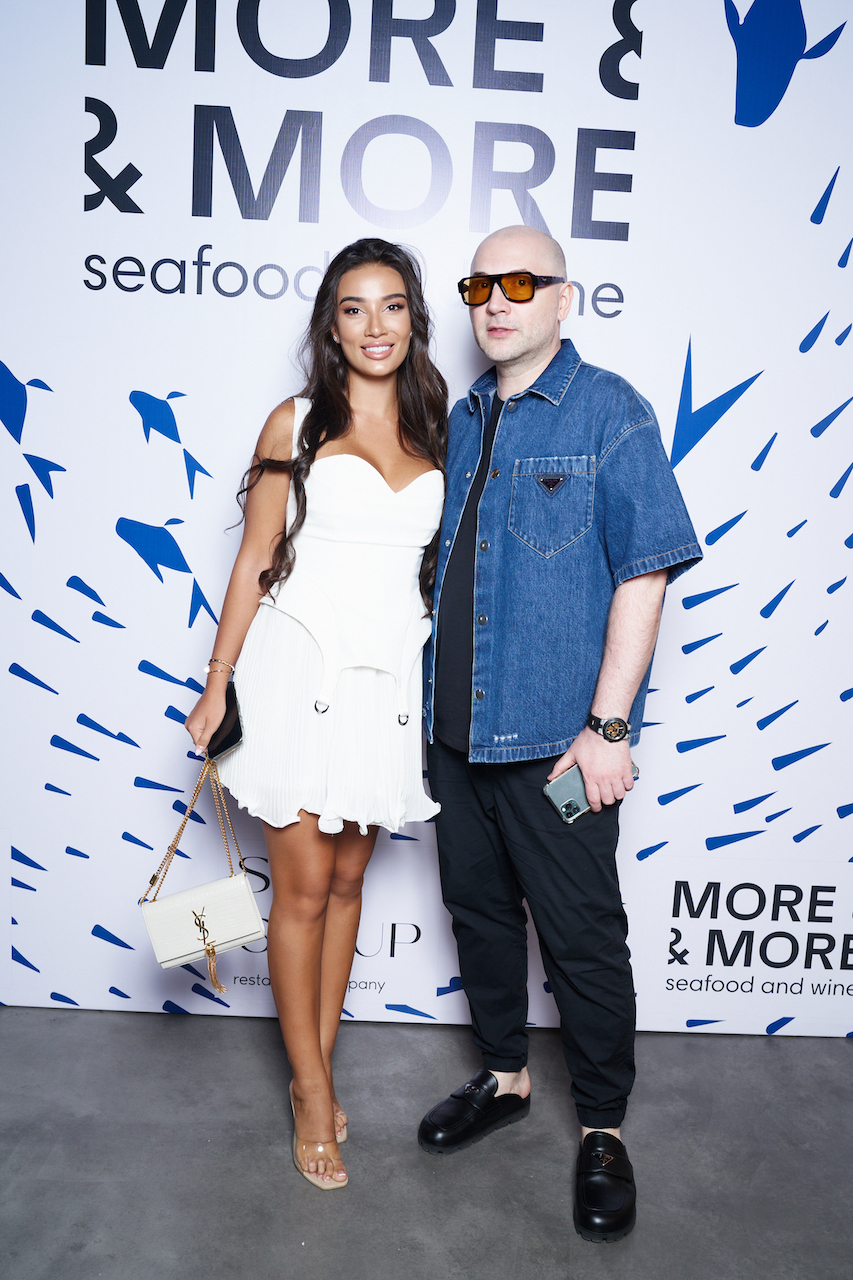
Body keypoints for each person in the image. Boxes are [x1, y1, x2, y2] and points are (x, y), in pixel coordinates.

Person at [418, 225, 702, 1242]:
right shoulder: (463, 417)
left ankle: (604, 1129)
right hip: (453, 737)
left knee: (581, 936)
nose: (496, 300)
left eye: (520, 282)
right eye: (479, 285)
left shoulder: (609, 410)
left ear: (561, 298)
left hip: (556, 748)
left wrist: (607, 728)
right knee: (479, 915)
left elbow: (645, 570)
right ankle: (504, 1076)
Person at [186, 238, 447, 1191]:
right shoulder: (294, 422)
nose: (375, 326)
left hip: (385, 689)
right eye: (353, 307)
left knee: (345, 885)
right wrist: (218, 681)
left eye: (392, 305)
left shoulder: (439, 428)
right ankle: (308, 1092)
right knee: (300, 890)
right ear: (330, 326)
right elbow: (256, 558)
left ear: (414, 318)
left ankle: (318, 1064)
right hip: (295, 677)